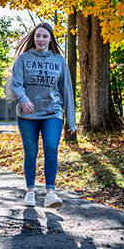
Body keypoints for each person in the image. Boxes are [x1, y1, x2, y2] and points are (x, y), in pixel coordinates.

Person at [10, 22, 76, 208]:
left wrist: (71, 120)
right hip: (27, 115)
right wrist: (23, 100)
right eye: (38, 36)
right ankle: (30, 192)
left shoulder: (59, 61)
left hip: (52, 112)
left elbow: (67, 90)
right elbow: (16, 84)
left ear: (50, 39)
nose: (41, 39)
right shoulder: (23, 59)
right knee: (30, 153)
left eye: (45, 36)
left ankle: (50, 193)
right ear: (34, 38)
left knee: (51, 149)